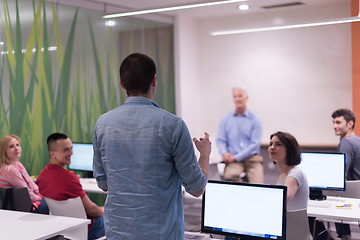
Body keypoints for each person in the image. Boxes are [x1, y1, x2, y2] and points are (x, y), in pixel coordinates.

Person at [93, 53, 211, 240]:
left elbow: (103, 183)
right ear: (155, 80)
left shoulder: (103, 124)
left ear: (122, 84)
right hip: (160, 234)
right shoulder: (173, 125)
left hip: (117, 232)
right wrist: (204, 155)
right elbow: (197, 188)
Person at [36, 133, 105, 240]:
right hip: (87, 228)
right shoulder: (70, 177)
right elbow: (92, 211)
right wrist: (106, 210)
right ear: (52, 154)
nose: (71, 153)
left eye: (71, 148)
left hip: (62, 229)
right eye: (66, 150)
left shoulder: (42, 176)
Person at [216, 87, 264, 183]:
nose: (238, 99)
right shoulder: (226, 119)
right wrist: (224, 153)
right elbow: (220, 140)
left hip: (252, 159)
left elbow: (254, 144)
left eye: (240, 96)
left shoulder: (255, 119)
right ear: (233, 99)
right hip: (233, 160)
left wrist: (237, 156)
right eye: (235, 96)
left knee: (259, 185)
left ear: (246, 98)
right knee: (229, 178)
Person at [0, 135, 48, 214]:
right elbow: (26, 193)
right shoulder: (8, 169)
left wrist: (39, 194)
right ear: (4, 151)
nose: (16, 148)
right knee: (48, 205)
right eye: (11, 146)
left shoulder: (17, 164)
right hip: (20, 207)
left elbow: (31, 183)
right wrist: (39, 198)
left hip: (25, 203)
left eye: (17, 145)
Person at [332, 108, 360, 240]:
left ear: (350, 124)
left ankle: (344, 236)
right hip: (358, 190)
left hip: (352, 192)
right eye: (333, 123)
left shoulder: (345, 143)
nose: (334, 126)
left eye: (338, 122)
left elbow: (340, 173)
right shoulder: (357, 140)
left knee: (334, 193)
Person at [268, 131, 309, 211]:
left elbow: (281, 200)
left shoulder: (295, 173)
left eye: (278, 144)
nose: (272, 147)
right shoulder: (283, 173)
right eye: (270, 144)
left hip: (292, 223)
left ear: (289, 149)